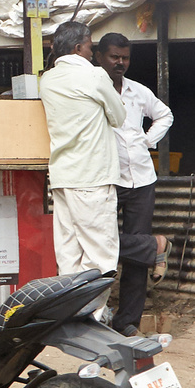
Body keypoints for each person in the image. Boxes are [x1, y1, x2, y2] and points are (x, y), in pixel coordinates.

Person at [95, 32, 173, 334]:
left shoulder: (138, 91)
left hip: (141, 179)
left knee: (137, 261)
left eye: (125, 58)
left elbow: (165, 115)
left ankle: (127, 322)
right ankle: (156, 245)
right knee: (99, 242)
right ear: (99, 57)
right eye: (114, 56)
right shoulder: (93, 89)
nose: (120, 63)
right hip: (107, 178)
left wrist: (147, 140)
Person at [39, 20, 123, 278]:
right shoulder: (94, 75)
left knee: (69, 255)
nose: (91, 53)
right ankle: (93, 305)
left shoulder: (47, 79)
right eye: (89, 47)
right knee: (100, 257)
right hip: (92, 178)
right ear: (77, 48)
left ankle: (71, 304)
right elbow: (119, 117)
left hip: (63, 178)